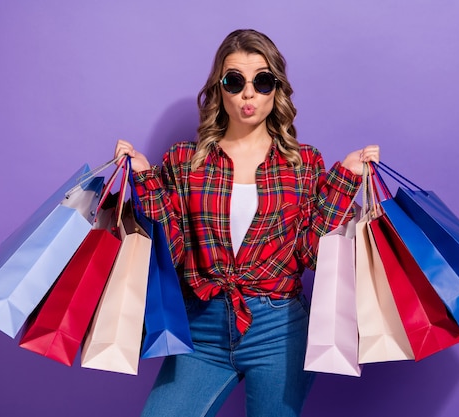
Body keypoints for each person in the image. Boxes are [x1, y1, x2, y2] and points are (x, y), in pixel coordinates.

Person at [114, 29, 380, 417]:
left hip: (280, 329)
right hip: (202, 327)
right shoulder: (185, 160)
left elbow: (312, 254)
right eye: (235, 81)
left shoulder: (302, 163)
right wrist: (144, 180)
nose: (248, 94)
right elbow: (170, 254)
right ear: (219, 88)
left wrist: (346, 179)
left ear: (278, 89)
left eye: (263, 81)